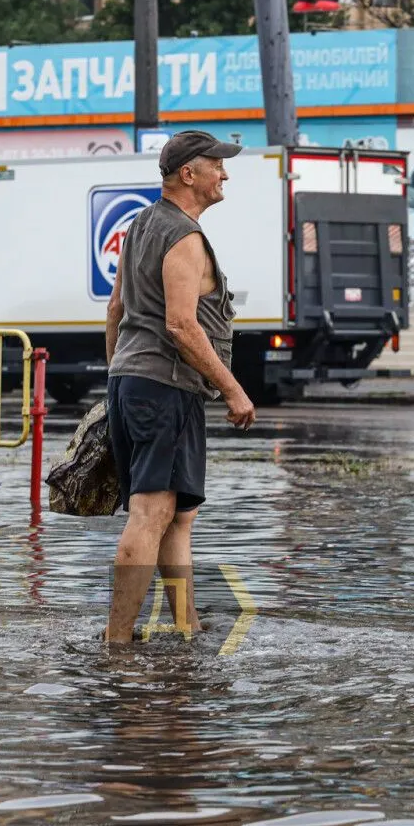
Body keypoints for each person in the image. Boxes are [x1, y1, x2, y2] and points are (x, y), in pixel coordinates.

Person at [103, 130, 256, 644]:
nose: (225, 174)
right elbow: (182, 326)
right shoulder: (184, 238)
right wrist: (233, 389)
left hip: (134, 381)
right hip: (164, 387)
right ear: (189, 174)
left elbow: (115, 311)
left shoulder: (139, 225)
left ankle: (185, 626)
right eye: (218, 165)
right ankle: (117, 639)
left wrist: (115, 378)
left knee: (178, 516)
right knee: (151, 514)